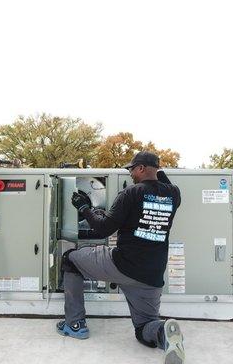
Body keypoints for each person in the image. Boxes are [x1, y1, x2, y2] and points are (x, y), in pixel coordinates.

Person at [57, 151, 185, 364]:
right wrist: (155, 169)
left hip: (121, 265)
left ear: (142, 168)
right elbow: (161, 179)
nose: (130, 174)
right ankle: (162, 332)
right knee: (144, 327)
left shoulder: (131, 193)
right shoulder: (174, 194)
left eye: (132, 169)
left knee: (71, 259)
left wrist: (84, 208)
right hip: (151, 277)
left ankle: (75, 324)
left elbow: (103, 228)